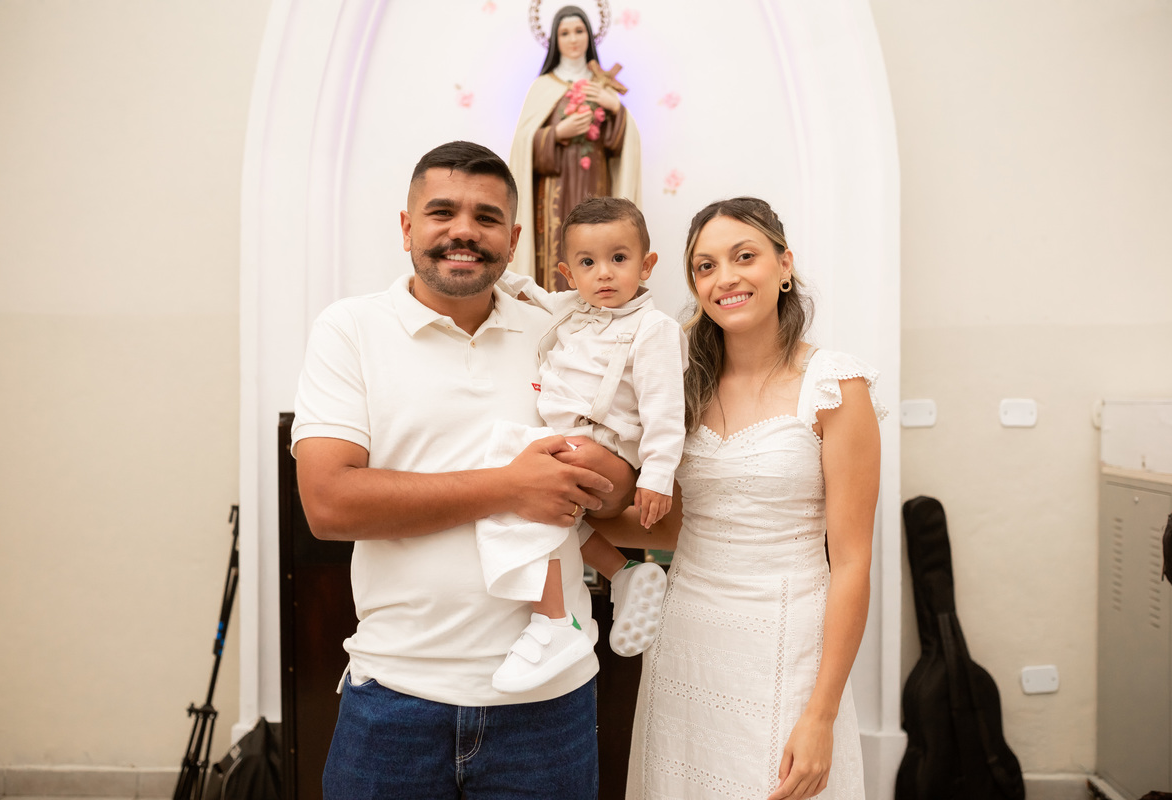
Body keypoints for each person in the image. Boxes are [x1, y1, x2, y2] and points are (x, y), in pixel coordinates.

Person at [290, 140, 638, 799]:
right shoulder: (351, 329)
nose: (463, 231)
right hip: (395, 694)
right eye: (442, 212)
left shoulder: (556, 330)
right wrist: (511, 487)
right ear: (406, 227)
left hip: (548, 705)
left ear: (513, 239)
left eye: (486, 218)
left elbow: (620, 482)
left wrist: (606, 475)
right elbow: (329, 504)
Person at [595, 197, 885, 799]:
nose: (724, 277)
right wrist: (573, 519)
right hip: (685, 640)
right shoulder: (679, 385)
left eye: (744, 256)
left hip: (786, 644)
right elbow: (672, 526)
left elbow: (852, 561)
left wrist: (822, 713)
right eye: (705, 266)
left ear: (785, 266)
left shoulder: (834, 386)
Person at [479, 196, 686, 694]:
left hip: (604, 442)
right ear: (569, 274)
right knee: (555, 515)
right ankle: (623, 573)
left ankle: (555, 622)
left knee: (516, 486)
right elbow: (530, 293)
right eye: (588, 263)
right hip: (567, 436)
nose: (604, 273)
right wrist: (493, 270)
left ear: (646, 265)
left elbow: (664, 411)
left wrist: (658, 477)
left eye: (619, 258)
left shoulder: (654, 328)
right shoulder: (572, 307)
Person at [509, 4, 641, 289]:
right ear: (555, 40)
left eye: (579, 31)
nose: (573, 39)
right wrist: (557, 133)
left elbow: (620, 146)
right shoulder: (543, 86)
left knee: (597, 241)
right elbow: (523, 145)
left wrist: (616, 109)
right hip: (553, 189)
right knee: (557, 246)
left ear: (589, 36)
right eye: (565, 33)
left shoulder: (603, 85)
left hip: (596, 181)